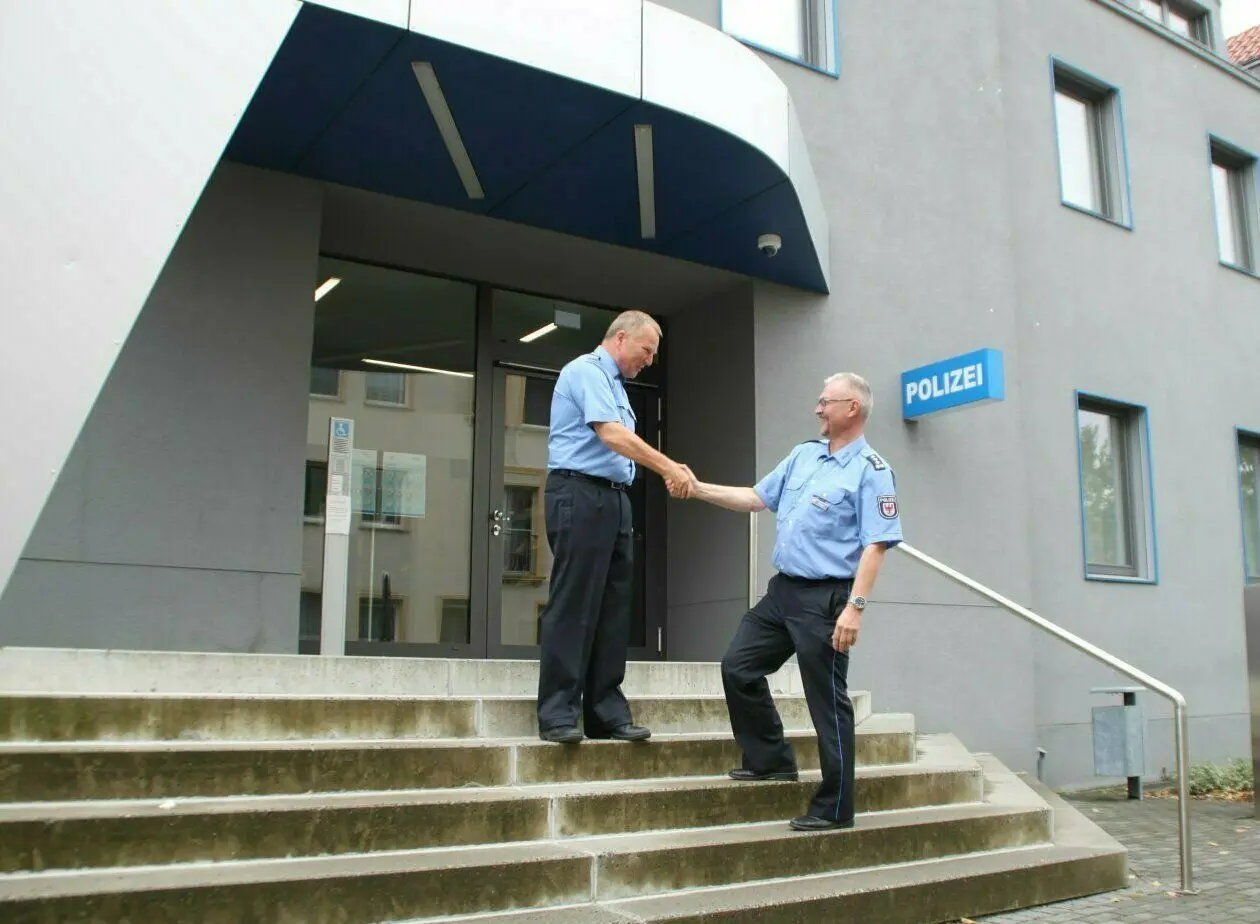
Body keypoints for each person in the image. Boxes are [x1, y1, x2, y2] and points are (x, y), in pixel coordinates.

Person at [669, 372, 902, 830]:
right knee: (738, 665)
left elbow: (877, 545)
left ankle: (835, 808)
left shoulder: (872, 471)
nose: (817, 409)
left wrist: (855, 607)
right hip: (784, 592)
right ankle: (771, 758)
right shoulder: (803, 455)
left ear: (851, 408)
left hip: (828, 599)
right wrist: (697, 488)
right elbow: (757, 498)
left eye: (825, 401)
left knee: (827, 704)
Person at [536, 310, 693, 744]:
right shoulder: (585, 372)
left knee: (613, 608)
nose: (650, 360)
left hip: (612, 498)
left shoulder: (616, 387)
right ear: (621, 339)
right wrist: (668, 468)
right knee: (575, 604)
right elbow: (611, 435)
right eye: (647, 350)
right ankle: (558, 715)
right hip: (579, 493)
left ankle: (605, 711)